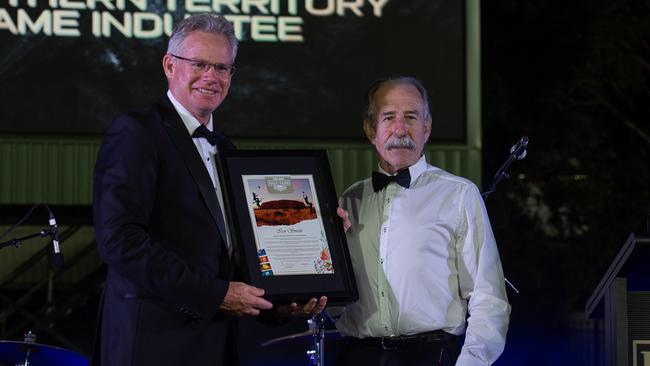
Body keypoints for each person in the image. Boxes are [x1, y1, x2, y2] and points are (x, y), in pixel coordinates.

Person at [92, 14, 325, 366]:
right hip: (151, 345)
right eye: (200, 64)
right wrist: (216, 294)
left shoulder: (227, 150)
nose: (212, 77)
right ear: (169, 65)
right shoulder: (137, 131)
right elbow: (120, 241)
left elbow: (236, 254)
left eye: (222, 67)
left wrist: (281, 301)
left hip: (216, 345)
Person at [334, 77, 510, 366]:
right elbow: (339, 299)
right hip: (357, 355)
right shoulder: (349, 201)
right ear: (370, 129)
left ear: (426, 128)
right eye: (388, 117)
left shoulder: (459, 195)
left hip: (432, 356)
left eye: (411, 117)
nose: (400, 128)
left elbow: (488, 297)